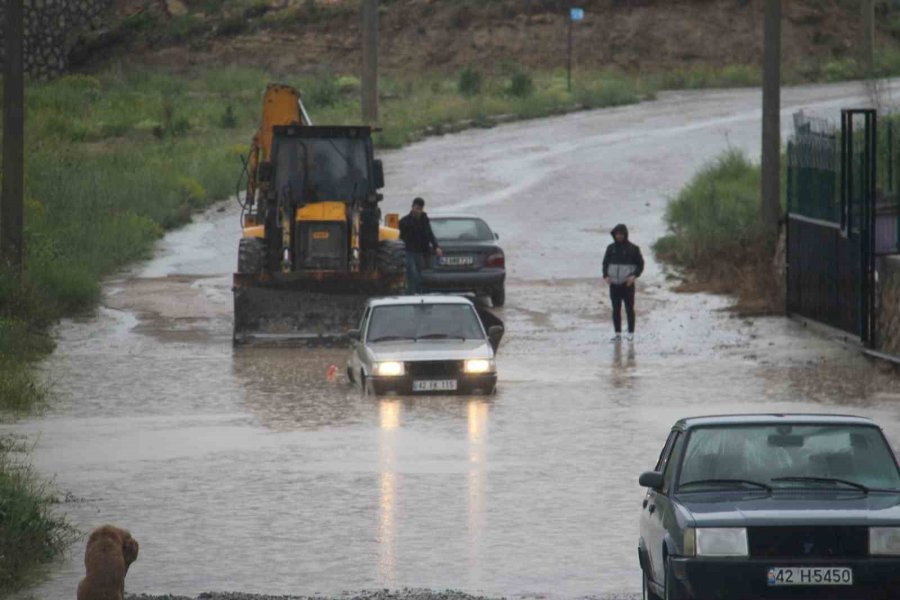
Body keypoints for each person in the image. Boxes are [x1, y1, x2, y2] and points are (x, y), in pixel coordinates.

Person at [602, 223, 644, 342]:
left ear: (625, 234)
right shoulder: (610, 248)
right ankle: (618, 334)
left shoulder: (633, 249)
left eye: (621, 234)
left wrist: (634, 276)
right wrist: (605, 275)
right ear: (614, 235)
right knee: (616, 309)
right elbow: (605, 263)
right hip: (614, 285)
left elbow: (641, 265)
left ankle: (631, 334)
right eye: (617, 234)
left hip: (628, 284)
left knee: (629, 309)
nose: (619, 236)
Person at [399, 197, 442, 294]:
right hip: (409, 251)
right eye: (417, 208)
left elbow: (430, 234)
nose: (418, 211)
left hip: (422, 252)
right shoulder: (405, 221)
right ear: (412, 207)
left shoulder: (425, 220)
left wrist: (436, 247)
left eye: (420, 209)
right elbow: (400, 238)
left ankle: (419, 293)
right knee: (412, 274)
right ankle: (411, 293)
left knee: (419, 274)